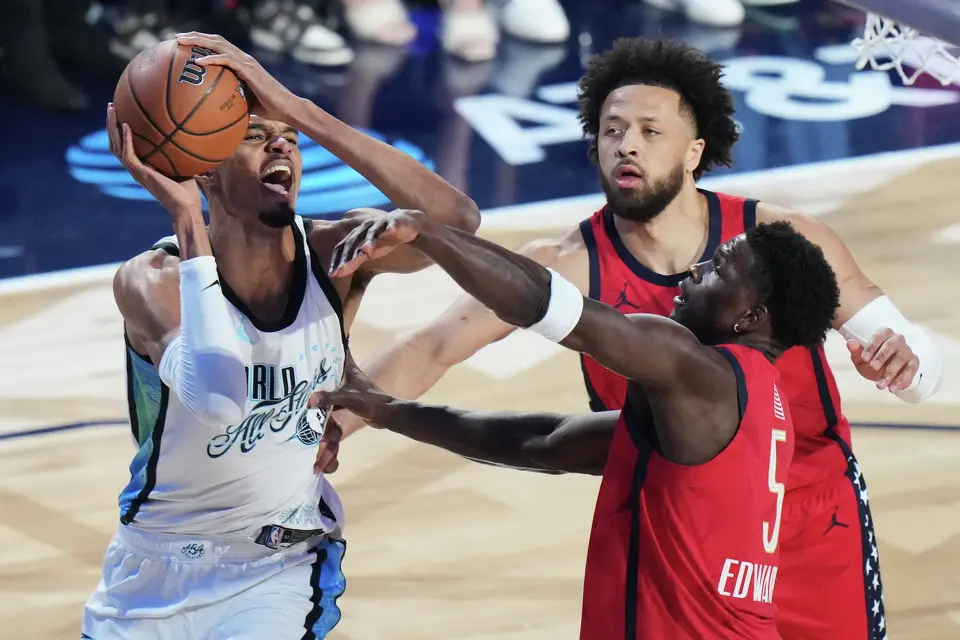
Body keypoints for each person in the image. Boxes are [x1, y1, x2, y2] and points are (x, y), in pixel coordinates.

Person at [329, 37, 943, 639]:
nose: (627, 145)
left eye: (651, 131)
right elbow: (455, 368)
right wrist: (335, 426)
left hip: (813, 523)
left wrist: (905, 362)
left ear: (695, 150)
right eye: (613, 128)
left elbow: (920, 369)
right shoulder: (576, 261)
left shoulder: (777, 249)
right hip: (674, 529)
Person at [81, 33, 481, 640]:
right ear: (203, 165)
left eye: (288, 140)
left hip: (279, 561)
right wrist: (188, 220)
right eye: (255, 136)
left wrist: (297, 109)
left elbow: (461, 224)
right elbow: (219, 395)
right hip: (152, 562)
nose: (282, 149)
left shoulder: (335, 251)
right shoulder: (152, 281)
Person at [315, 211, 840, 638]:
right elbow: (543, 443)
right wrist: (386, 409)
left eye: (720, 268)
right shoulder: (751, 404)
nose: (695, 270)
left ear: (750, 318)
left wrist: (429, 234)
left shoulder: (699, 373)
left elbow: (552, 307)